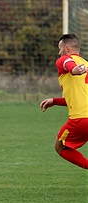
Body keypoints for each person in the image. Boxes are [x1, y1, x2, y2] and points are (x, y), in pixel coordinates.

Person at [40, 33, 88, 169]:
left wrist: (73, 69)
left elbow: (68, 64)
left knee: (60, 147)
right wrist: (54, 101)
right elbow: (79, 97)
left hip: (81, 120)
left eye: (59, 49)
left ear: (67, 48)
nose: (59, 52)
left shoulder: (64, 60)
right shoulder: (85, 64)